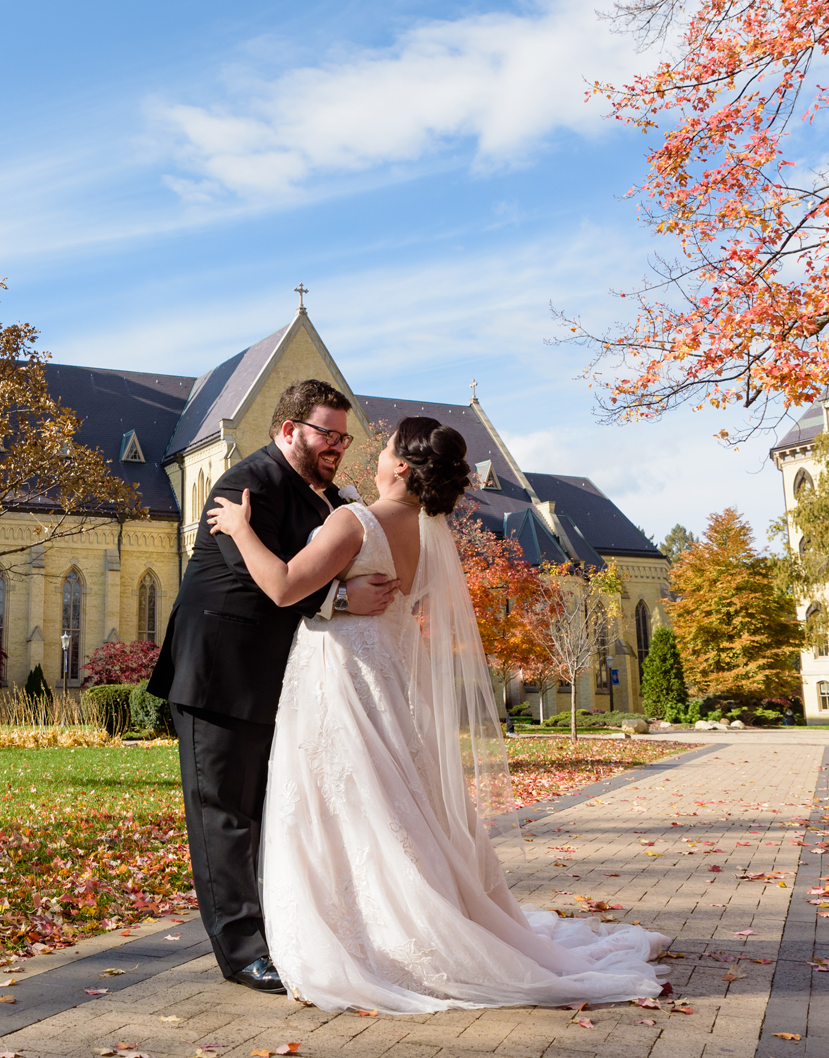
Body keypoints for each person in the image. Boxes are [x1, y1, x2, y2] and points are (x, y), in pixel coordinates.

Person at [207, 416, 670, 1013]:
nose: (374, 453)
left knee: (340, 803)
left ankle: (363, 932)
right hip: (390, 683)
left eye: (386, 448)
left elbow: (282, 586)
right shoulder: (431, 535)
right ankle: (391, 916)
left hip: (341, 680)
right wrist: (345, 598)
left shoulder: (355, 522)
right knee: (388, 803)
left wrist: (243, 529)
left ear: (400, 465)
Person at [148, 379, 400, 993]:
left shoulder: (324, 498)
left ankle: (282, 935)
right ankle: (242, 955)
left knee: (265, 816)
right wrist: (342, 597)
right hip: (217, 675)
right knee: (223, 819)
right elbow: (271, 582)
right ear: (288, 430)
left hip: (274, 680)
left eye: (343, 436)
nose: (337, 446)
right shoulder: (245, 485)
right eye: (326, 434)